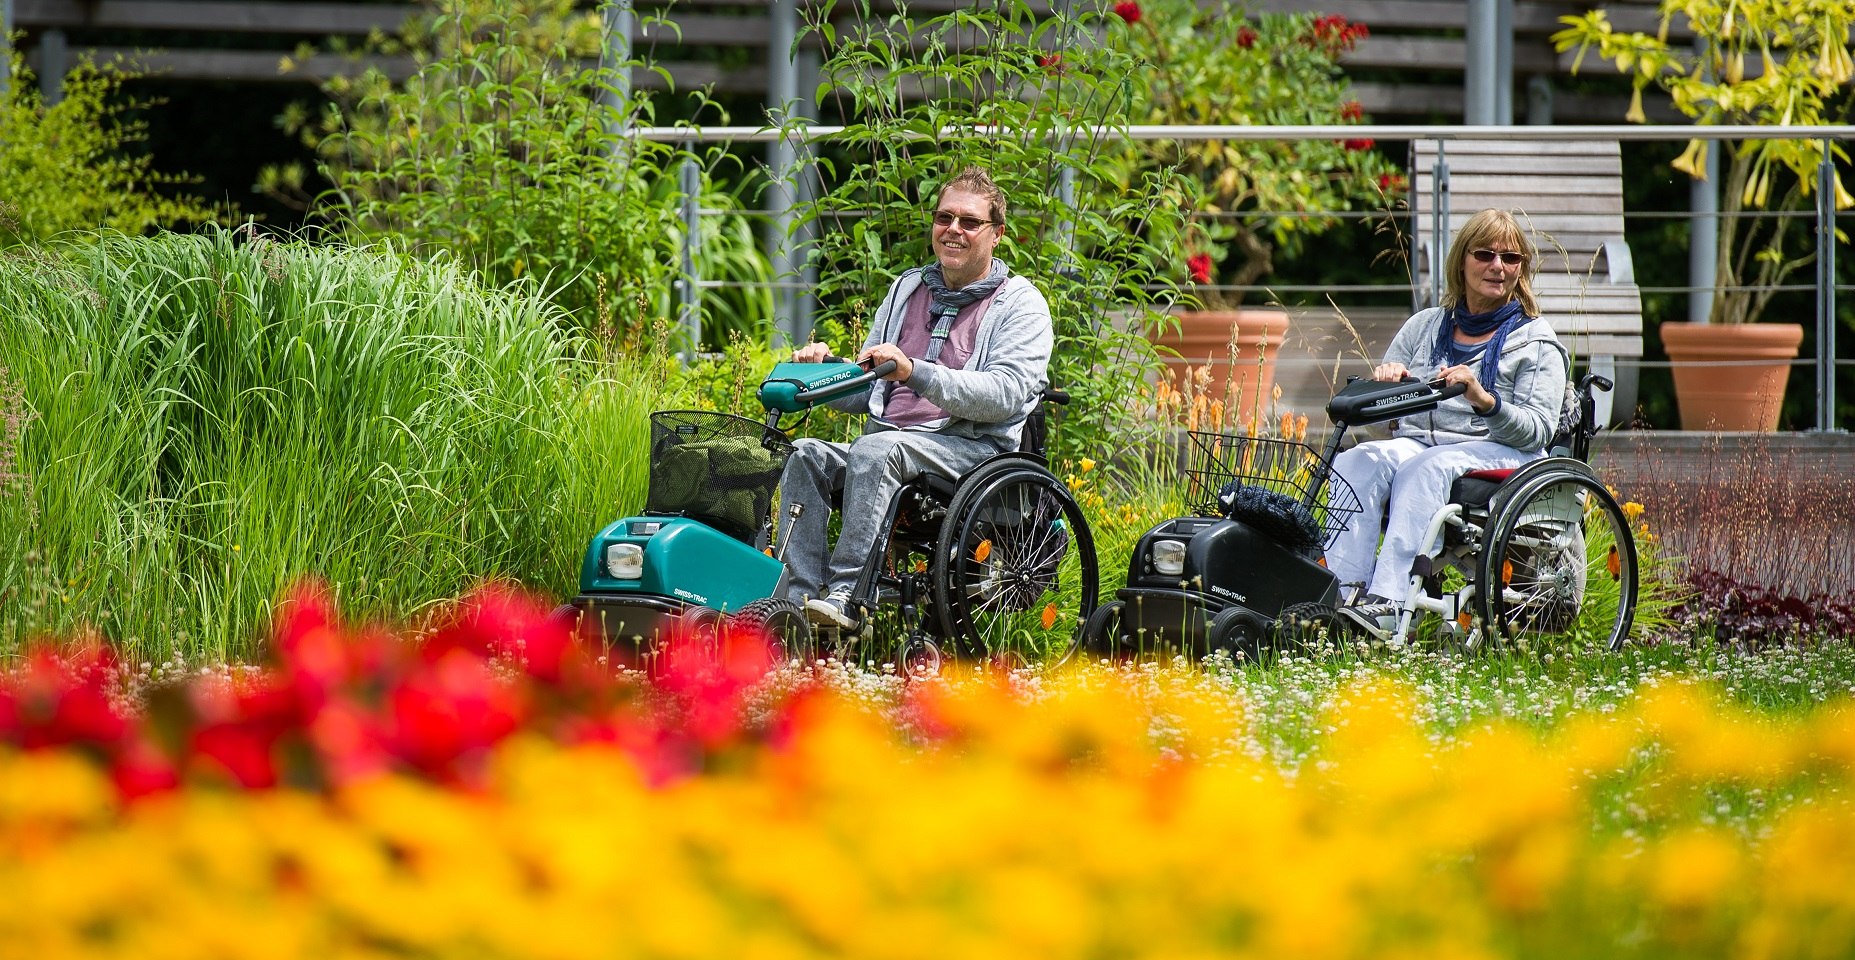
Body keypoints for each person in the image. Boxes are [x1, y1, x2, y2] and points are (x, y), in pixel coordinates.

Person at [777, 166, 1054, 630]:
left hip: (971, 452)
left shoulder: (1022, 304)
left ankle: (848, 597)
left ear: (997, 233)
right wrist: (824, 375)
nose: (954, 230)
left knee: (877, 448)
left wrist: (916, 370)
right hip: (890, 442)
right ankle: (798, 600)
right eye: (945, 217)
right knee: (803, 454)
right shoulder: (907, 289)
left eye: (970, 222)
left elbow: (1004, 395)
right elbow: (870, 390)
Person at [1329, 207, 1570, 634]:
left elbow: (1537, 431)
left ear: (1521, 269)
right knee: (1358, 462)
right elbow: (1377, 425)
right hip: (1423, 442)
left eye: (1511, 258)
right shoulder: (1425, 326)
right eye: (1485, 254)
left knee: (1425, 469)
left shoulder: (1535, 341)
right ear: (1462, 260)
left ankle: (1389, 601)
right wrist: (1389, 387)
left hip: (1505, 453)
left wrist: (1484, 399)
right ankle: (1342, 592)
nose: (1498, 266)